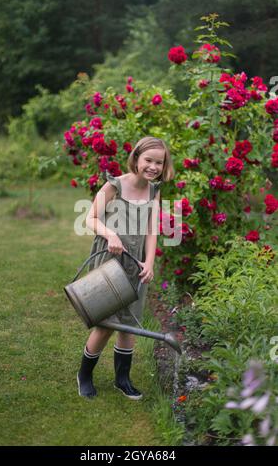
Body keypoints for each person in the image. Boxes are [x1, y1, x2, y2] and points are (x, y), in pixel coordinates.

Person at [77, 136, 175, 400]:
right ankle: (84, 375)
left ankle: (123, 379)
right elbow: (90, 218)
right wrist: (110, 234)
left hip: (135, 265)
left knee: (129, 324)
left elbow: (152, 229)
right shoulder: (115, 186)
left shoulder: (154, 191)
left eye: (159, 162)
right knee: (106, 323)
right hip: (110, 262)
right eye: (148, 160)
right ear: (136, 158)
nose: (153, 167)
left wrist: (150, 262)